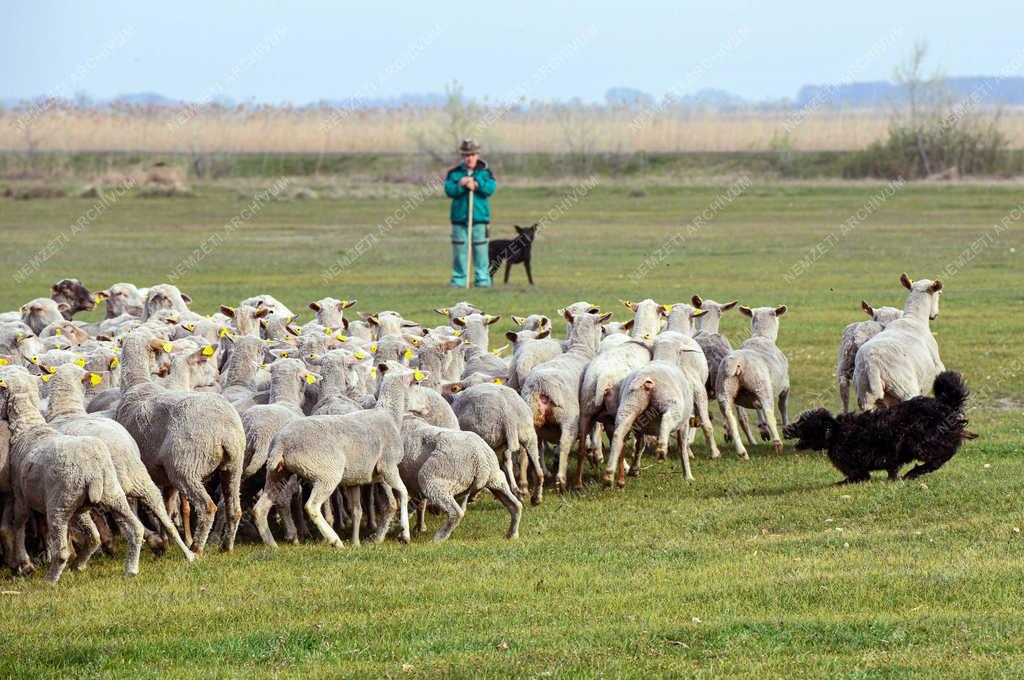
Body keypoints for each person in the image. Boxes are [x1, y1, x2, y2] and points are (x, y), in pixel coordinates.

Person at [444, 139, 496, 287]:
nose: (470, 158)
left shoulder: (486, 172)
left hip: (479, 218)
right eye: (466, 154)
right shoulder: (454, 173)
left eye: (472, 154)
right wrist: (461, 184)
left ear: (477, 154)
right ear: (462, 155)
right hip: (459, 219)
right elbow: (449, 190)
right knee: (460, 251)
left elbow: (491, 189)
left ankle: (482, 280)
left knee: (481, 251)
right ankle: (459, 280)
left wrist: (477, 184)